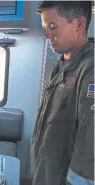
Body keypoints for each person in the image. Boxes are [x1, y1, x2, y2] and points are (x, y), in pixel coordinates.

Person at [30, 1, 94, 185]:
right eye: (44, 27)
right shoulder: (62, 65)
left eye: (52, 27)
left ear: (79, 24)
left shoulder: (90, 68)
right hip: (46, 173)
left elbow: (91, 143)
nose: (46, 35)